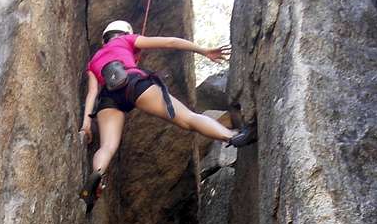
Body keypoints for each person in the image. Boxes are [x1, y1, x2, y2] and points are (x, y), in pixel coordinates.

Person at [79, 20, 256, 210]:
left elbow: (92, 93)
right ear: (124, 32)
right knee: (188, 118)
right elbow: (170, 42)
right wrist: (203, 51)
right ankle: (233, 135)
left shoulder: (94, 61)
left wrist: (86, 125)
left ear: (105, 38)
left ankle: (97, 174)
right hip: (134, 83)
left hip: (108, 97)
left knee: (107, 147)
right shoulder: (126, 40)